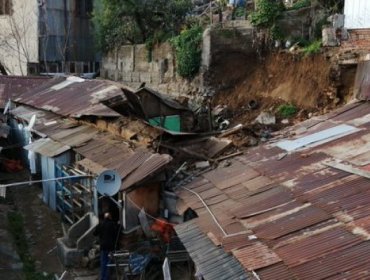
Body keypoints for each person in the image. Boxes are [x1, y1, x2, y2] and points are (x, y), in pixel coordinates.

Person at [94, 212, 119, 280]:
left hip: (103, 246)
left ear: (105, 218)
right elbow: (116, 233)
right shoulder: (112, 224)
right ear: (110, 217)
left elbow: (95, 233)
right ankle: (106, 278)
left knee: (103, 262)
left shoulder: (101, 224)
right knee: (109, 262)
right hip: (110, 247)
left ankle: (103, 277)